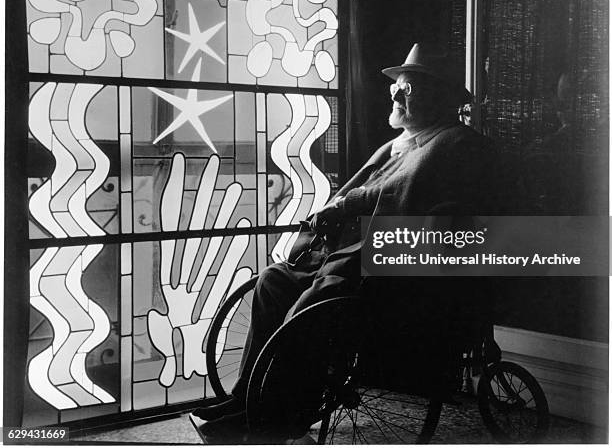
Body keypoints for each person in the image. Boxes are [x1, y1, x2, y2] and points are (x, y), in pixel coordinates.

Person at [193, 43, 500, 437]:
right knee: (274, 282)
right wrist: (335, 212)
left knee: (313, 305)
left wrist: (348, 206)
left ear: (439, 96)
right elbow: (362, 191)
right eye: (397, 87)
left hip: (404, 266)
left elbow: (411, 198)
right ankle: (246, 400)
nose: (395, 93)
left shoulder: (458, 144)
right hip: (352, 252)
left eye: (408, 88)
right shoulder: (395, 146)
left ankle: (276, 415)